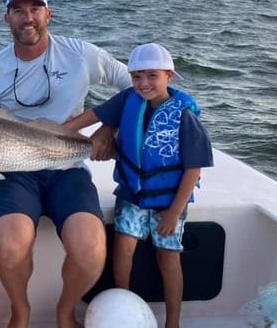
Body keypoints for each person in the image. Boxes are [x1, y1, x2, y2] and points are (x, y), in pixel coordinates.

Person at [0, 0, 132, 328]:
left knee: (91, 248)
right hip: (13, 171)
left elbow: (131, 82)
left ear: (48, 14)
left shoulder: (79, 54)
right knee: (11, 244)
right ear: (6, 18)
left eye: (35, 8)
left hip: (68, 164)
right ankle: (20, 311)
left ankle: (65, 312)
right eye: (18, 10)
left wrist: (107, 129)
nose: (28, 17)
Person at [64, 42, 213, 328]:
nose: (143, 83)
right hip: (132, 195)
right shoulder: (127, 100)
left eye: (152, 75)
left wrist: (173, 213)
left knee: (169, 259)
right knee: (123, 249)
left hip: (169, 204)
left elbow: (194, 169)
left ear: (169, 75)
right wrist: (57, 130)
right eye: (136, 76)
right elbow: (93, 115)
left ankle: (173, 322)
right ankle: (124, 305)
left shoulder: (185, 115)